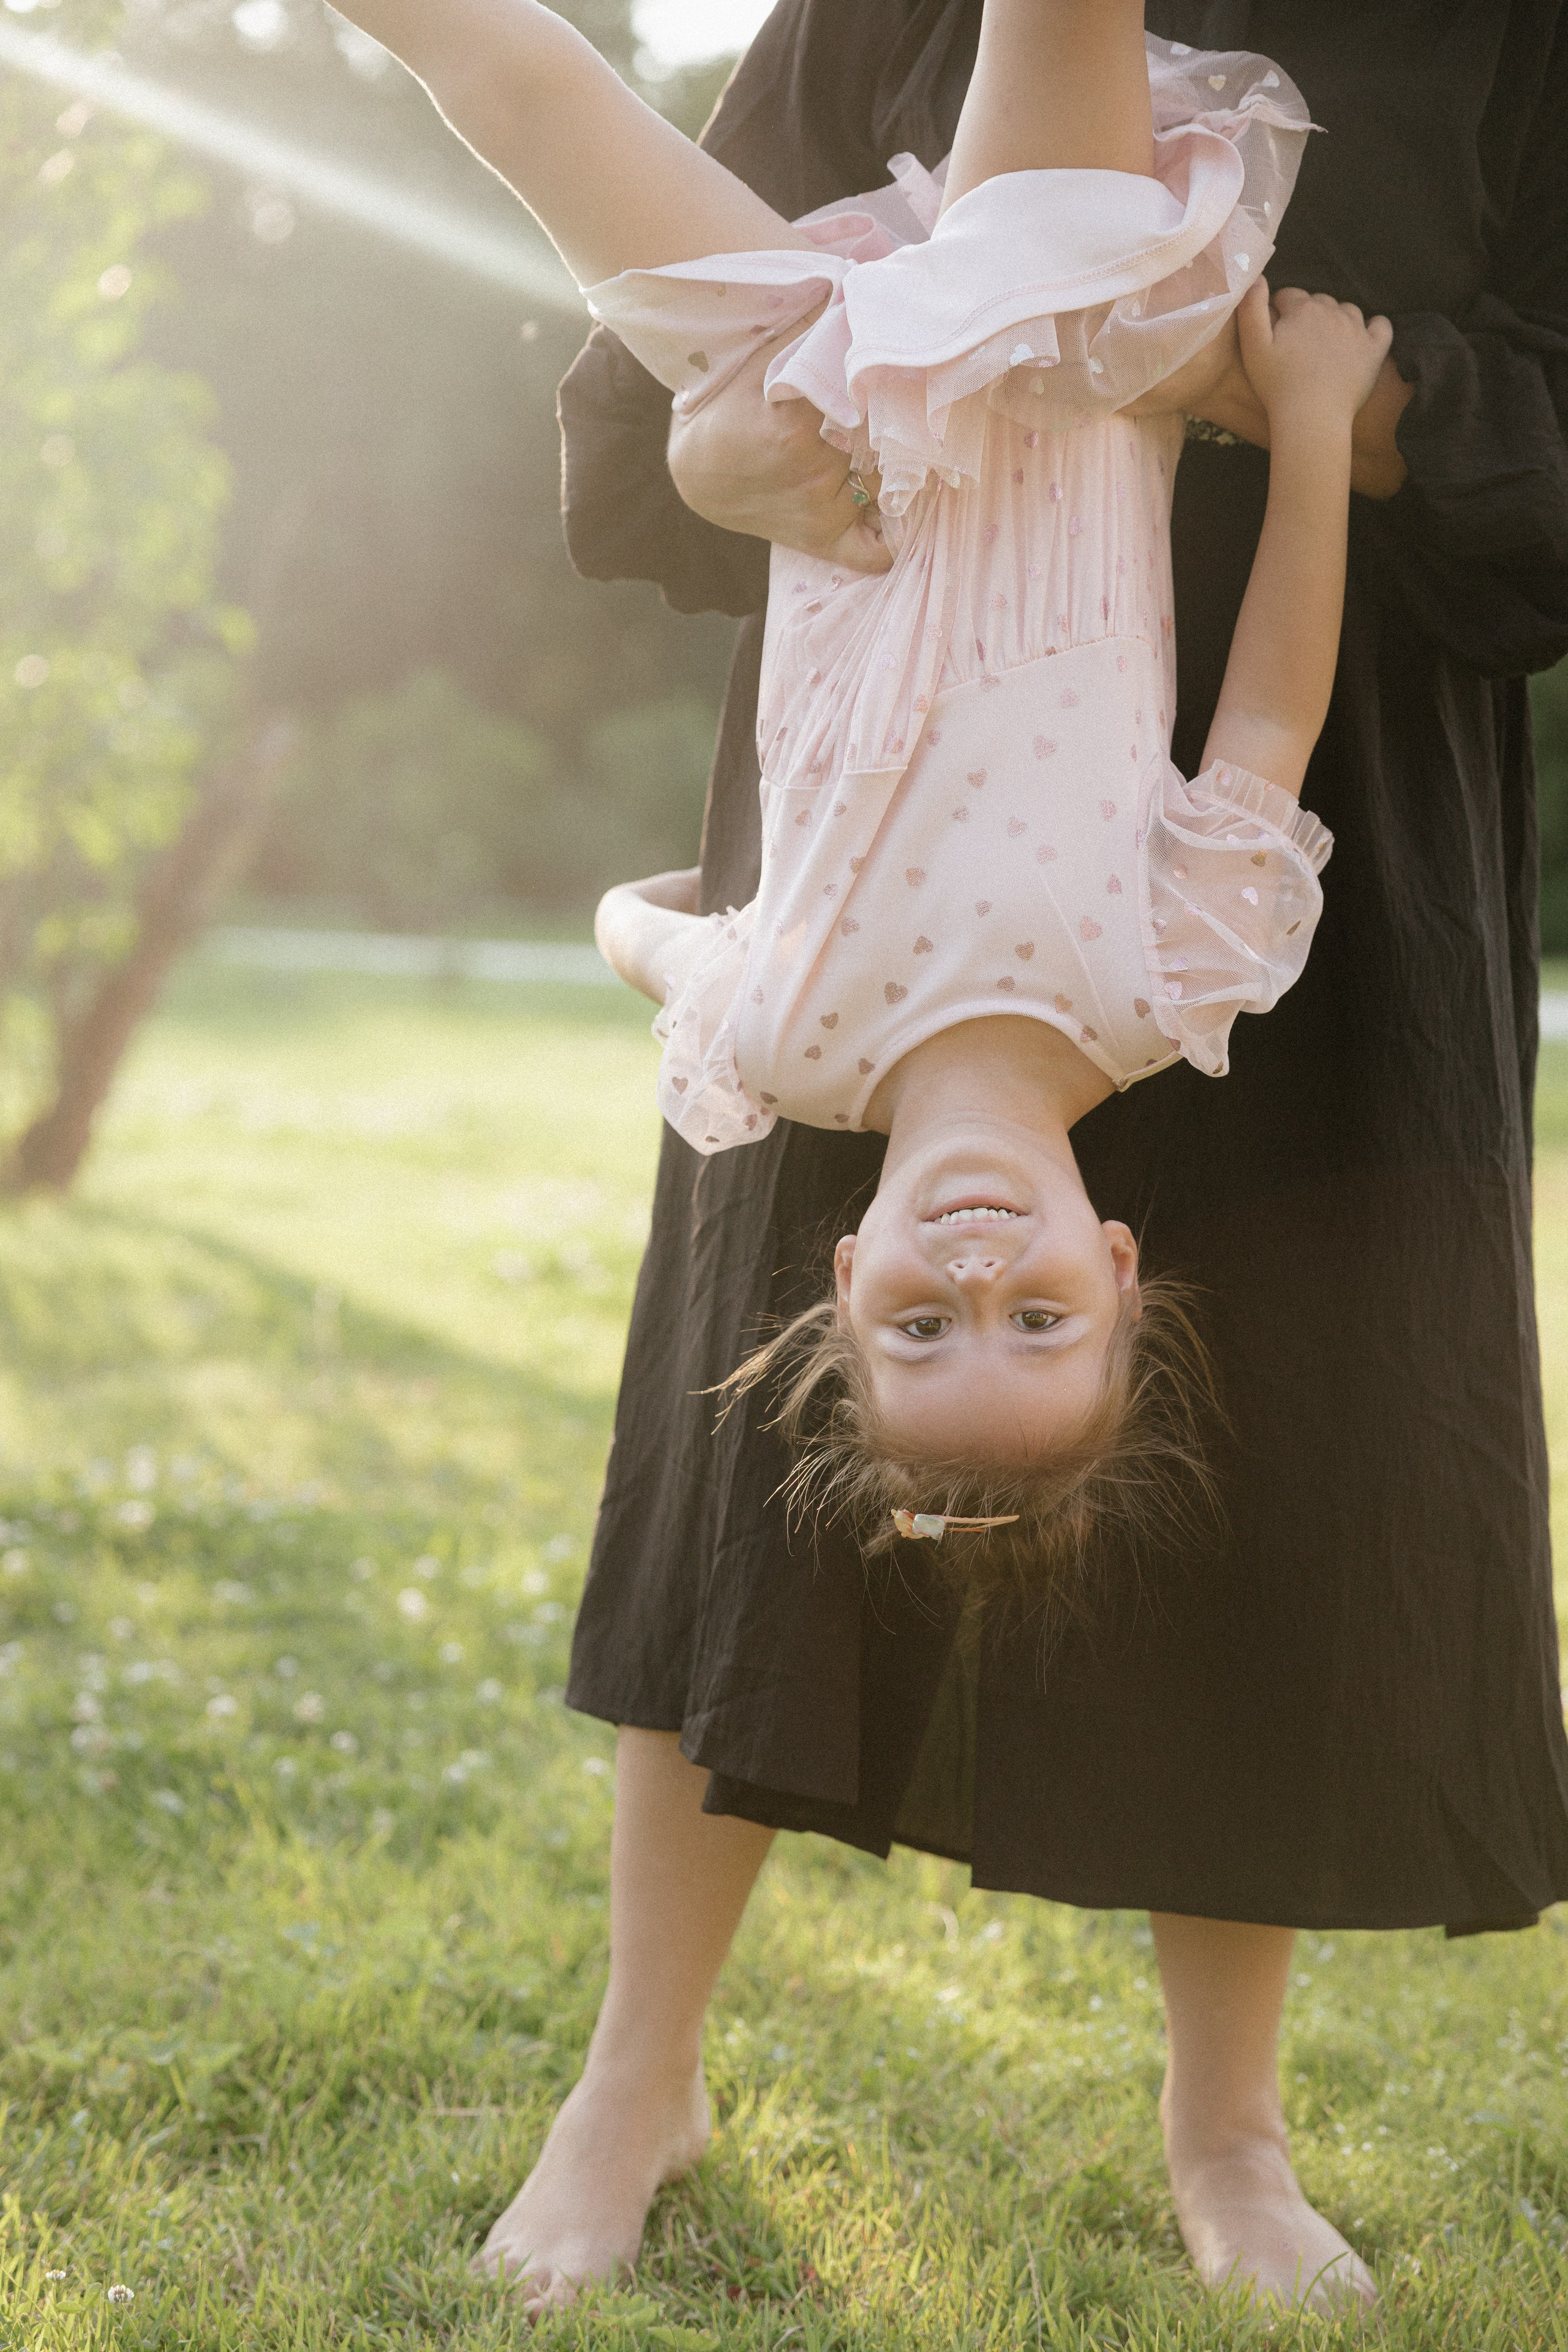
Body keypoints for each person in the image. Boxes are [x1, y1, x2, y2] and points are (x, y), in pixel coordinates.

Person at [339, 0, 1568, 2319]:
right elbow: (643, 411)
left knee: (1284, 1449)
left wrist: (1310, 410)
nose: (988, 1278)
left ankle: (1229, 2123)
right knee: (751, 1494)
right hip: (897, 769)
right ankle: (638, 2076)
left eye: (965, 1300)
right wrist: (721, 456)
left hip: (1323, 811)